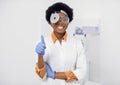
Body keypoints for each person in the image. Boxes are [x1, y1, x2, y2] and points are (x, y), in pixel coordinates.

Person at [35, 2, 87, 85]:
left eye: (64, 19)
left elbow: (81, 73)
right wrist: (40, 56)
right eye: (55, 18)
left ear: (68, 22)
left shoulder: (77, 44)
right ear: (50, 22)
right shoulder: (42, 44)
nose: (60, 22)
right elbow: (42, 76)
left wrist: (54, 75)